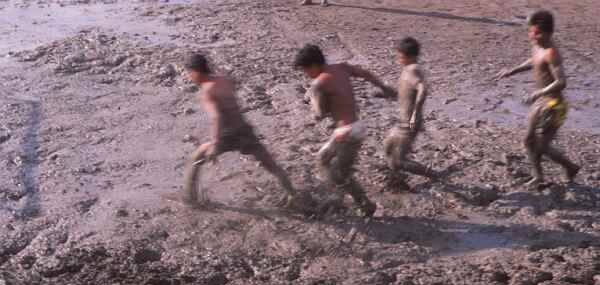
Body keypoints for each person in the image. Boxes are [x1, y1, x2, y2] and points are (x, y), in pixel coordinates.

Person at [181, 53, 298, 206]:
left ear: (195, 71)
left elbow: (216, 117)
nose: (189, 77)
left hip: (226, 135)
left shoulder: (206, 91)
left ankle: (190, 199)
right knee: (270, 163)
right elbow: (234, 84)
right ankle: (292, 194)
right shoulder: (224, 79)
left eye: (189, 73)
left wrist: (215, 143)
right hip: (244, 129)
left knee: (196, 158)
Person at [294, 44, 396, 216]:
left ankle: (362, 204)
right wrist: (384, 87)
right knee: (323, 159)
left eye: (305, 70)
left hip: (346, 132)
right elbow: (366, 74)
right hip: (357, 127)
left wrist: (312, 97)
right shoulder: (341, 67)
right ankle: (339, 195)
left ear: (313, 65)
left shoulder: (318, 83)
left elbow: (319, 114)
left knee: (338, 173)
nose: (306, 74)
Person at [496, 10, 579, 187]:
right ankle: (539, 176)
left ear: (549, 33)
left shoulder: (551, 53)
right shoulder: (538, 46)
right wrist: (512, 70)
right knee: (528, 141)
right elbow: (534, 60)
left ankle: (570, 167)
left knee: (542, 147)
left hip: (554, 105)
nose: (532, 37)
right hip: (541, 103)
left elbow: (561, 82)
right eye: (531, 32)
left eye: (536, 33)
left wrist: (538, 93)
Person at [384, 37, 439, 190]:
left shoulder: (414, 68)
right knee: (388, 147)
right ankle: (397, 182)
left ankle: (434, 175)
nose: (397, 58)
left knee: (399, 160)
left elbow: (423, 88)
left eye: (399, 55)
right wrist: (386, 94)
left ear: (409, 56)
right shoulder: (407, 69)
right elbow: (405, 93)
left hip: (409, 123)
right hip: (401, 121)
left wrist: (415, 113)